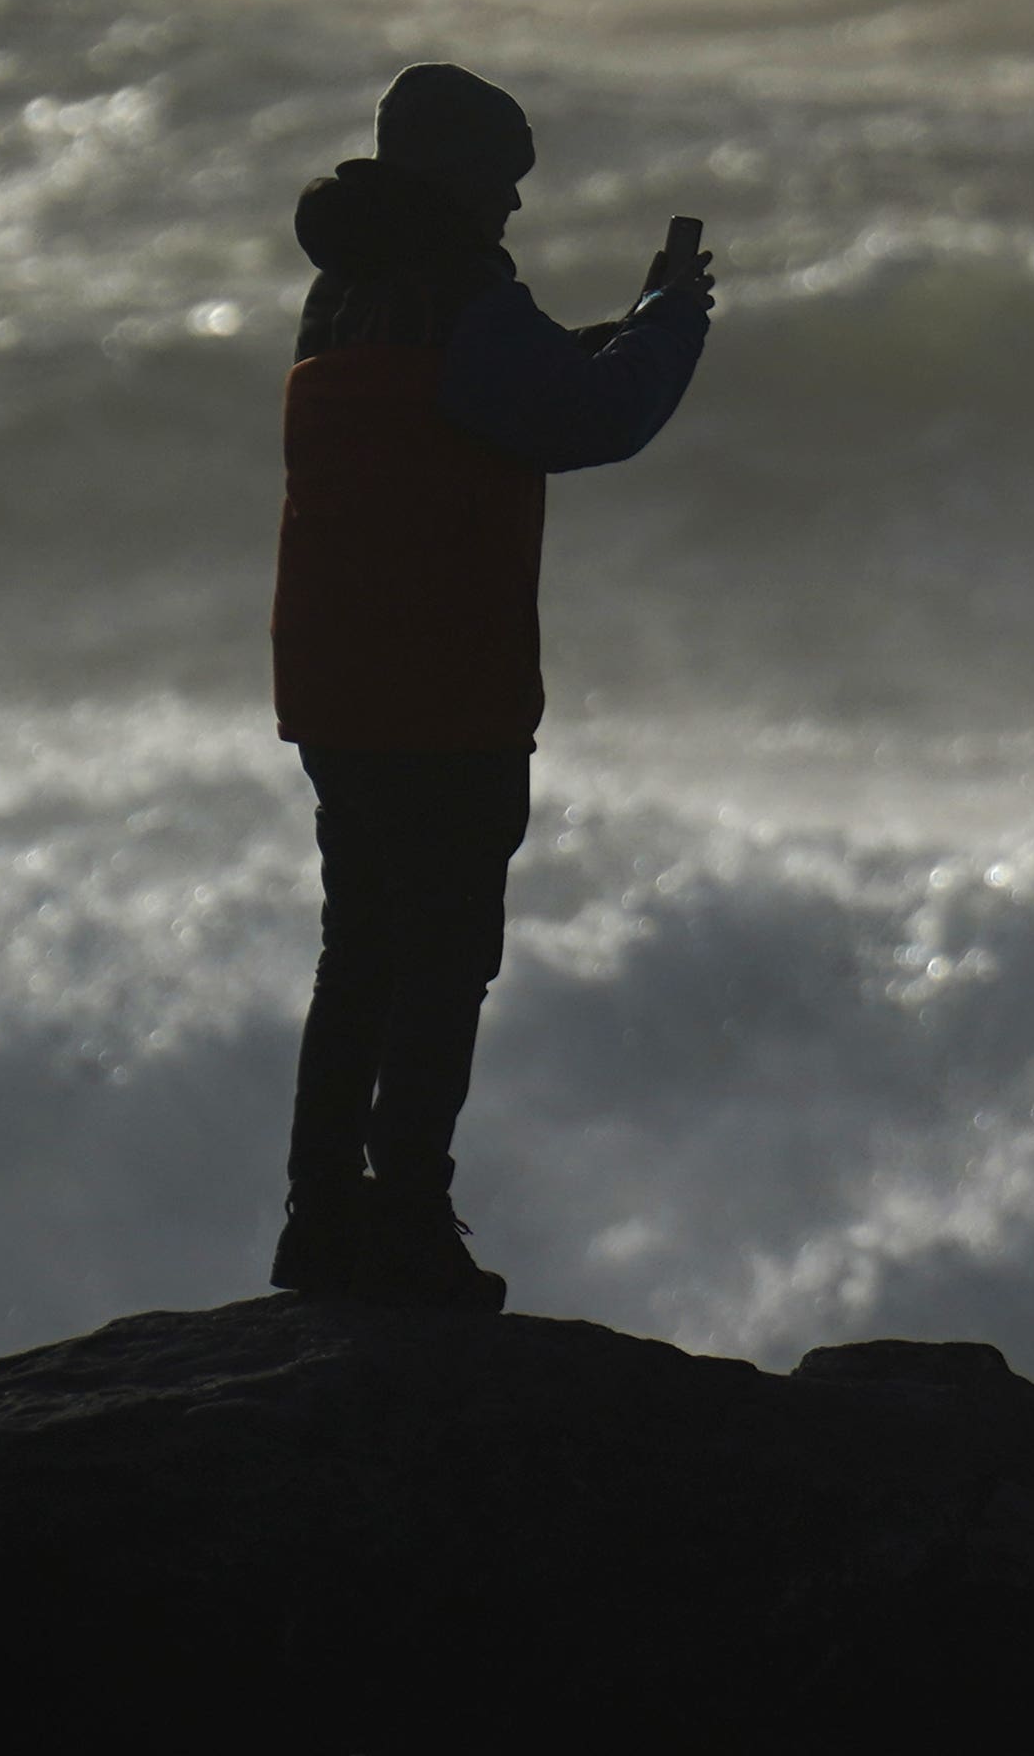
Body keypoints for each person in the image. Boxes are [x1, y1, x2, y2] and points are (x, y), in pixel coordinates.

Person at [266, 63, 713, 1311]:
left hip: (336, 680)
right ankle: (408, 1223)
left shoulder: (341, 291)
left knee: (357, 951)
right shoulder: (464, 294)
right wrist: (672, 319)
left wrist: (610, 330)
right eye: (505, 182)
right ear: (459, 178)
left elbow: (483, 397)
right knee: (444, 956)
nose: (515, 208)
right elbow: (590, 419)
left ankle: (319, 1221)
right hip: (440, 691)